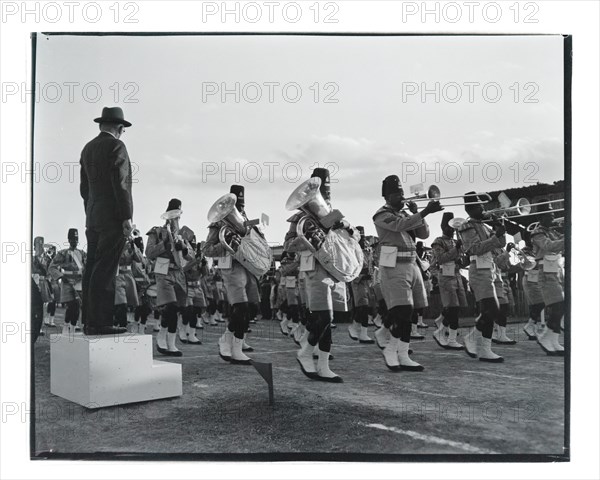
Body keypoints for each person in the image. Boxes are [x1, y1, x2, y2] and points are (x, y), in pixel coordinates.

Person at [285, 168, 360, 382]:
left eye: (327, 191)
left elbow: (355, 237)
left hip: (336, 269)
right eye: (321, 191)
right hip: (315, 269)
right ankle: (306, 352)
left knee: (330, 319)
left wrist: (345, 226)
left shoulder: (334, 213)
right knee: (324, 316)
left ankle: (323, 365)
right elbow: (289, 246)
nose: (325, 196)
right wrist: (309, 238)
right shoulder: (300, 218)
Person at [373, 175, 442, 371]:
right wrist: (424, 213)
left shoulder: (405, 214)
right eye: (396, 194)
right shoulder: (381, 215)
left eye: (402, 193)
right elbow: (398, 226)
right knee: (402, 311)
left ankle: (403, 354)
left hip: (412, 264)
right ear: (386, 196)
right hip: (393, 265)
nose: (401, 197)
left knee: (411, 313)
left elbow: (423, 235)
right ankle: (391, 350)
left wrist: (419, 213)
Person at [80, 106, 133, 335]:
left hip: (93, 215)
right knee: (106, 268)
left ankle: (89, 321)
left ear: (101, 125)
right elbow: (121, 184)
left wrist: (90, 211)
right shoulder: (116, 145)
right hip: (112, 216)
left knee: (91, 267)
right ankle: (101, 323)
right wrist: (126, 216)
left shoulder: (87, 148)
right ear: (120, 128)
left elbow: (84, 189)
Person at [204, 185, 264, 365]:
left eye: (242, 206)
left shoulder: (248, 222)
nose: (241, 210)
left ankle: (228, 338)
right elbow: (207, 250)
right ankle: (235, 349)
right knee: (241, 307)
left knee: (253, 307)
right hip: (232, 266)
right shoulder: (219, 223)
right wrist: (226, 243)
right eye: (238, 206)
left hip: (249, 266)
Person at [456, 192, 507, 363]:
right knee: (492, 309)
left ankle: (484, 349)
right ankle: (474, 339)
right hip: (478, 269)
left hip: (489, 268)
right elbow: (475, 249)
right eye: (479, 205)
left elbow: (500, 244)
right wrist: (495, 236)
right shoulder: (466, 226)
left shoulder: (484, 226)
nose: (483, 208)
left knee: (491, 310)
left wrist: (500, 231)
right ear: (470, 209)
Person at [530, 201, 565, 355]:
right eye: (549, 215)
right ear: (541, 217)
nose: (553, 218)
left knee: (561, 306)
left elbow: (562, 241)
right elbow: (550, 246)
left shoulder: (552, 231)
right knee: (558, 306)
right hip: (545, 272)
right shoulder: (538, 233)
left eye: (553, 215)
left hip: (556, 270)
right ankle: (545, 337)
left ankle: (553, 340)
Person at [430, 212, 467, 350]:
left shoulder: (455, 241)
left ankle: (441, 331)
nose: (452, 230)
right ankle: (450, 338)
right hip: (445, 276)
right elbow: (441, 258)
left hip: (456, 275)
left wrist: (464, 256)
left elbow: (461, 261)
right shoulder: (438, 241)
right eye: (449, 227)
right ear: (443, 227)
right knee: (453, 307)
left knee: (456, 307)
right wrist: (456, 249)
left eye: (453, 228)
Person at [49, 229, 87, 335]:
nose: (74, 241)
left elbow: (88, 266)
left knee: (77, 307)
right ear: (69, 240)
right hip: (67, 283)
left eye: (76, 239)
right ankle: (66, 325)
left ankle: (73, 328)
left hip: (79, 282)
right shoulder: (63, 253)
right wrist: (61, 276)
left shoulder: (82, 253)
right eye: (72, 239)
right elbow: (52, 267)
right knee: (72, 305)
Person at [348, 226, 375, 344]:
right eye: (360, 235)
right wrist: (362, 275)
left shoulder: (367, 248)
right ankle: (358, 329)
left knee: (366, 307)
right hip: (357, 280)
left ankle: (361, 331)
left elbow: (370, 263)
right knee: (362, 306)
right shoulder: (351, 247)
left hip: (367, 281)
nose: (363, 237)